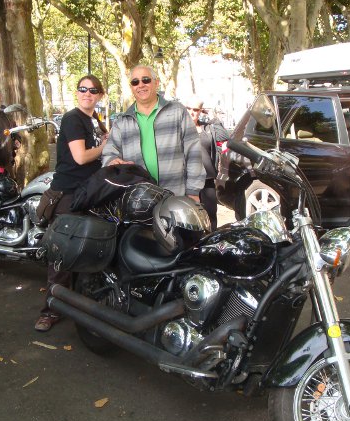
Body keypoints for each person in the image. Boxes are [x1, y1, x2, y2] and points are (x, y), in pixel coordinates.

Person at [35, 74, 109, 332]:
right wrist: (105, 146)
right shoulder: (72, 118)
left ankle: (78, 303)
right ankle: (50, 311)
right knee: (62, 254)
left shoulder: (94, 120)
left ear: (100, 95)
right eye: (83, 89)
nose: (87, 93)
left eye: (93, 90)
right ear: (76, 92)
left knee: (87, 251)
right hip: (69, 193)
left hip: (90, 192)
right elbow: (80, 157)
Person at [102, 65, 205, 201]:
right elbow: (108, 153)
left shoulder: (177, 112)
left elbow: (194, 153)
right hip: (137, 201)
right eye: (135, 82)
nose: (140, 85)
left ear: (156, 83)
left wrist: (193, 191)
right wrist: (111, 161)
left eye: (146, 80)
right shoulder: (122, 122)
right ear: (131, 87)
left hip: (175, 197)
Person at [185, 96, 229, 230]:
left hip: (207, 180)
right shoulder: (179, 129)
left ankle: (210, 239)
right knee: (190, 218)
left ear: (200, 111)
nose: (191, 112)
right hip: (187, 181)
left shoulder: (207, 128)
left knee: (211, 216)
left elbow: (224, 137)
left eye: (195, 109)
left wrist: (212, 116)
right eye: (188, 108)